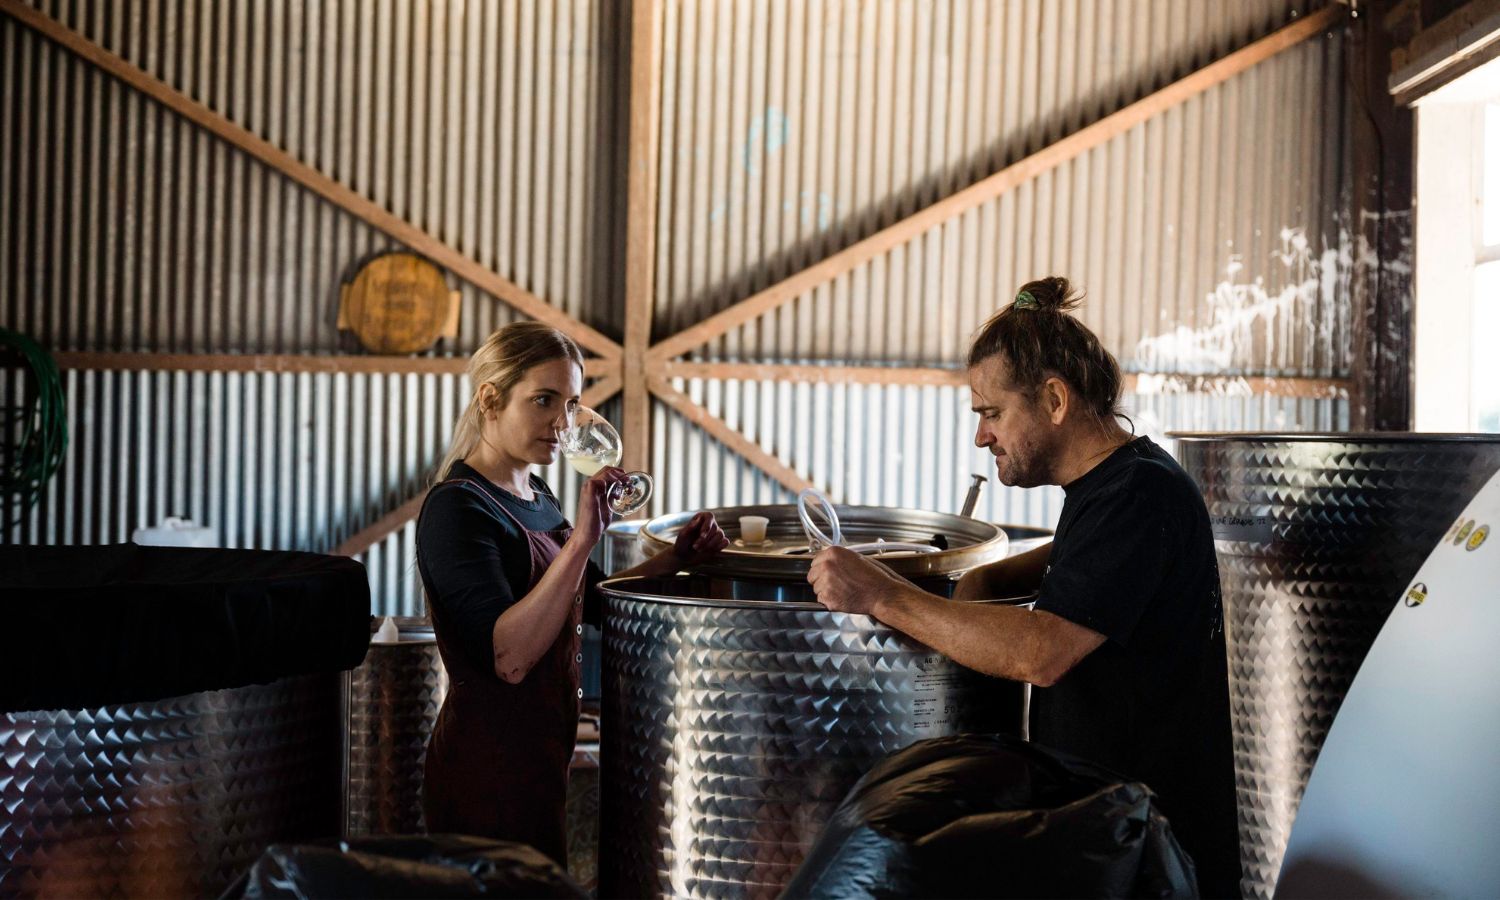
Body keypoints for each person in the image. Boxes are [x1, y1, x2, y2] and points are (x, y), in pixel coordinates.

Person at [806, 277, 1241, 898]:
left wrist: (882, 594)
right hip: (1113, 839)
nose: (982, 436)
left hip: (1149, 856)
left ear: (1055, 400)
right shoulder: (1115, 486)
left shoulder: (1139, 495)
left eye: (991, 413)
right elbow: (1079, 559)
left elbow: (1041, 652)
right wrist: (992, 573)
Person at [416, 321, 728, 866]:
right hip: (486, 776)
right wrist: (583, 538)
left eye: (572, 404)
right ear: (491, 398)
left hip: (540, 766)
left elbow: (596, 600)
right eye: (543, 400)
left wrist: (677, 559)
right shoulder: (457, 508)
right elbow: (508, 657)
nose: (562, 425)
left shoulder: (537, 492)